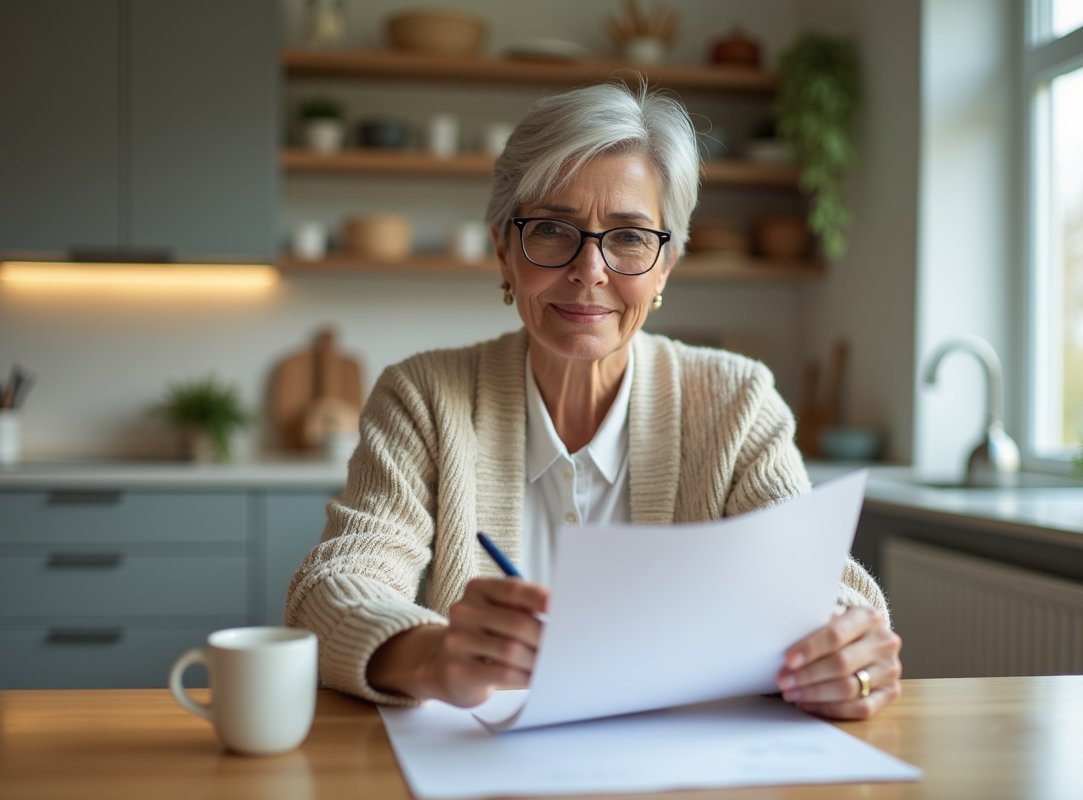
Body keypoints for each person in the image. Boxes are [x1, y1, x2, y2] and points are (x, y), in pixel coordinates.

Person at [285, 81, 902, 720]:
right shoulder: (422, 396)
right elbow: (332, 587)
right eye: (552, 229)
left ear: (666, 267)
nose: (590, 270)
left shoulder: (736, 401)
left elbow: (819, 587)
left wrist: (845, 649)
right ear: (503, 252)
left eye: (630, 238)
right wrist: (431, 654)